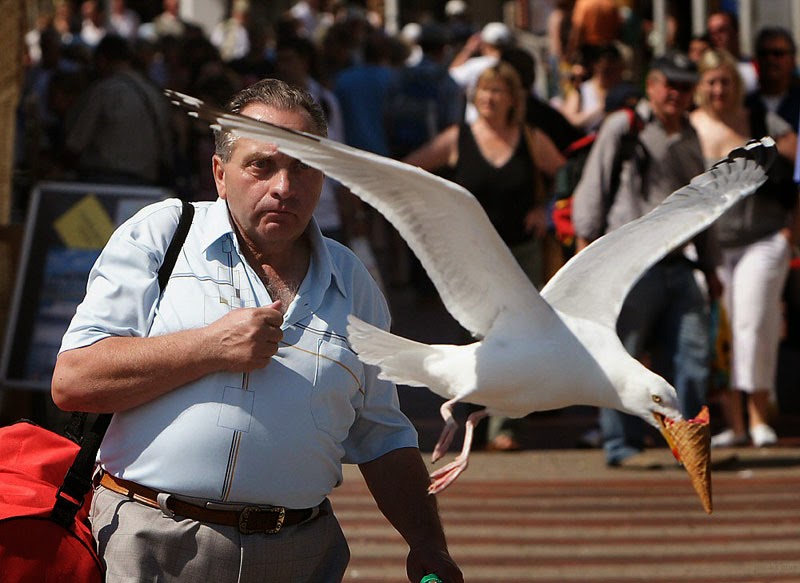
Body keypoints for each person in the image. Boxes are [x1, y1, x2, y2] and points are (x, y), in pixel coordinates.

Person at [51, 78, 463, 583]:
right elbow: (74, 380)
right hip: (153, 545)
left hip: (299, 553)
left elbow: (381, 432)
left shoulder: (351, 281)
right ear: (220, 174)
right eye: (261, 166)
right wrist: (209, 347)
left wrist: (428, 543)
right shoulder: (161, 236)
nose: (284, 187)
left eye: (302, 167)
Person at [404, 62, 565, 451]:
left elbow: (566, 172)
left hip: (520, 254)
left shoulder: (529, 139)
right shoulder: (458, 138)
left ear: (513, 99)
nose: (491, 98)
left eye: (499, 91)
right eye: (484, 91)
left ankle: (505, 427)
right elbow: (410, 169)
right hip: (470, 259)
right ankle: (469, 414)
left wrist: (545, 209)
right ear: (475, 97)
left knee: (517, 338)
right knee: (473, 334)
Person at [572, 52, 720, 467]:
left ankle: (690, 446)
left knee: (692, 358)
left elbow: (703, 206)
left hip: (680, 263)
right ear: (651, 85)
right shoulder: (625, 126)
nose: (675, 93)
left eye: (685, 86)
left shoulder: (691, 134)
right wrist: (584, 259)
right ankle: (623, 446)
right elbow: (593, 188)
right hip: (628, 268)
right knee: (624, 359)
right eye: (667, 83)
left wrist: (711, 265)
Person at [690, 49, 798, 448]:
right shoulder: (690, 127)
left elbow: (797, 161)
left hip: (763, 236)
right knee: (723, 329)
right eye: (712, 82)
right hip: (711, 246)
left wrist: (794, 230)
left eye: (727, 81)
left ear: (737, 85)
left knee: (752, 323)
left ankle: (758, 416)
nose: (720, 89)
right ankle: (734, 423)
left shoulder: (760, 120)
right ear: (701, 87)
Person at [64, 34, 173, 186]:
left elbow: (76, 142)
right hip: (147, 185)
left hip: (104, 183)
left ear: (101, 61)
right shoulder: (153, 92)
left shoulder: (104, 91)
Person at [559, 43, 625, 133]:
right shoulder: (581, 91)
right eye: (604, 69)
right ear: (595, 66)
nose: (608, 73)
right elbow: (570, 121)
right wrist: (601, 108)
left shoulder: (623, 92)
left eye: (612, 69)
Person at [706, 10, 757, 93]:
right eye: (712, 33)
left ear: (736, 31)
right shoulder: (704, 70)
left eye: (722, 30)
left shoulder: (753, 68)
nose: (716, 37)